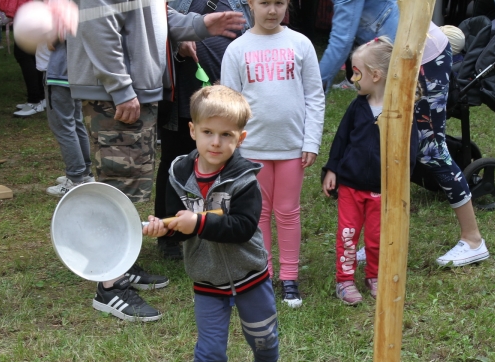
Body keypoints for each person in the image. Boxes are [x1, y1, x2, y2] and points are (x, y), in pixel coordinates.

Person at [67, 0, 246, 321]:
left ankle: (119, 263)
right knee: (116, 181)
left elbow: (156, 13)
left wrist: (202, 25)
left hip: (134, 90)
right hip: (114, 93)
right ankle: (109, 286)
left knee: (130, 184)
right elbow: (97, 24)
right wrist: (120, 88)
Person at [143, 85, 293, 362]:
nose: (215, 142)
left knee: (265, 341)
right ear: (192, 130)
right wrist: (164, 228)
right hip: (207, 280)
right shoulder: (179, 173)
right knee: (211, 351)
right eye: (208, 132)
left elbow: (243, 227)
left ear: (240, 138)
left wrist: (198, 223)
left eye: (226, 135)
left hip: (250, 276)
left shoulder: (244, 179)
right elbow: (177, 229)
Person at [221, 0, 325, 308]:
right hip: (253, 149)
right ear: (250, 4)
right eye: (264, 3)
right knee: (259, 213)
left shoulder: (300, 43)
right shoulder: (237, 50)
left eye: (279, 3)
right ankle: (262, 274)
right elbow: (229, 103)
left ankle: (289, 277)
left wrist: (311, 142)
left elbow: (314, 97)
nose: (271, 10)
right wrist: (231, 145)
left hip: (292, 147)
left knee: (288, 211)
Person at [321, 36, 418, 305]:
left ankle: (374, 275)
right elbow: (341, 140)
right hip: (351, 186)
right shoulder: (356, 107)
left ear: (375, 75)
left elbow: (410, 148)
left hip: (382, 189)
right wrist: (332, 169)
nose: (353, 79)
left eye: (356, 73)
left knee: (377, 238)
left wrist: (401, 180)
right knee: (348, 236)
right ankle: (345, 280)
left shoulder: (400, 110)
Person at [155, 0, 250, 260]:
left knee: (222, 165)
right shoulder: (173, 3)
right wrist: (178, 48)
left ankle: (218, 226)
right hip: (184, 98)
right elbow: (155, 41)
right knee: (175, 163)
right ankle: (169, 233)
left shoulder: (241, 3)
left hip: (227, 100)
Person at [415, 23, 490, 266]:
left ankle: (473, 240)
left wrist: (322, 76)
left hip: (426, 56)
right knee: (387, 145)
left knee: (432, 150)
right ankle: (380, 239)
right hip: (392, 56)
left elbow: (346, 31)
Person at [43, 41, 94, 197]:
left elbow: (51, 41)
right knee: (76, 123)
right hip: (76, 73)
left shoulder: (65, 16)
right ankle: (84, 174)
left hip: (60, 73)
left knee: (63, 127)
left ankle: (75, 179)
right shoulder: (84, 15)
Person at [318, 0, 398, 94]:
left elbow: (340, 42)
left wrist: (314, 87)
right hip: (378, 29)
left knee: (393, 95)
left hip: (393, 35)